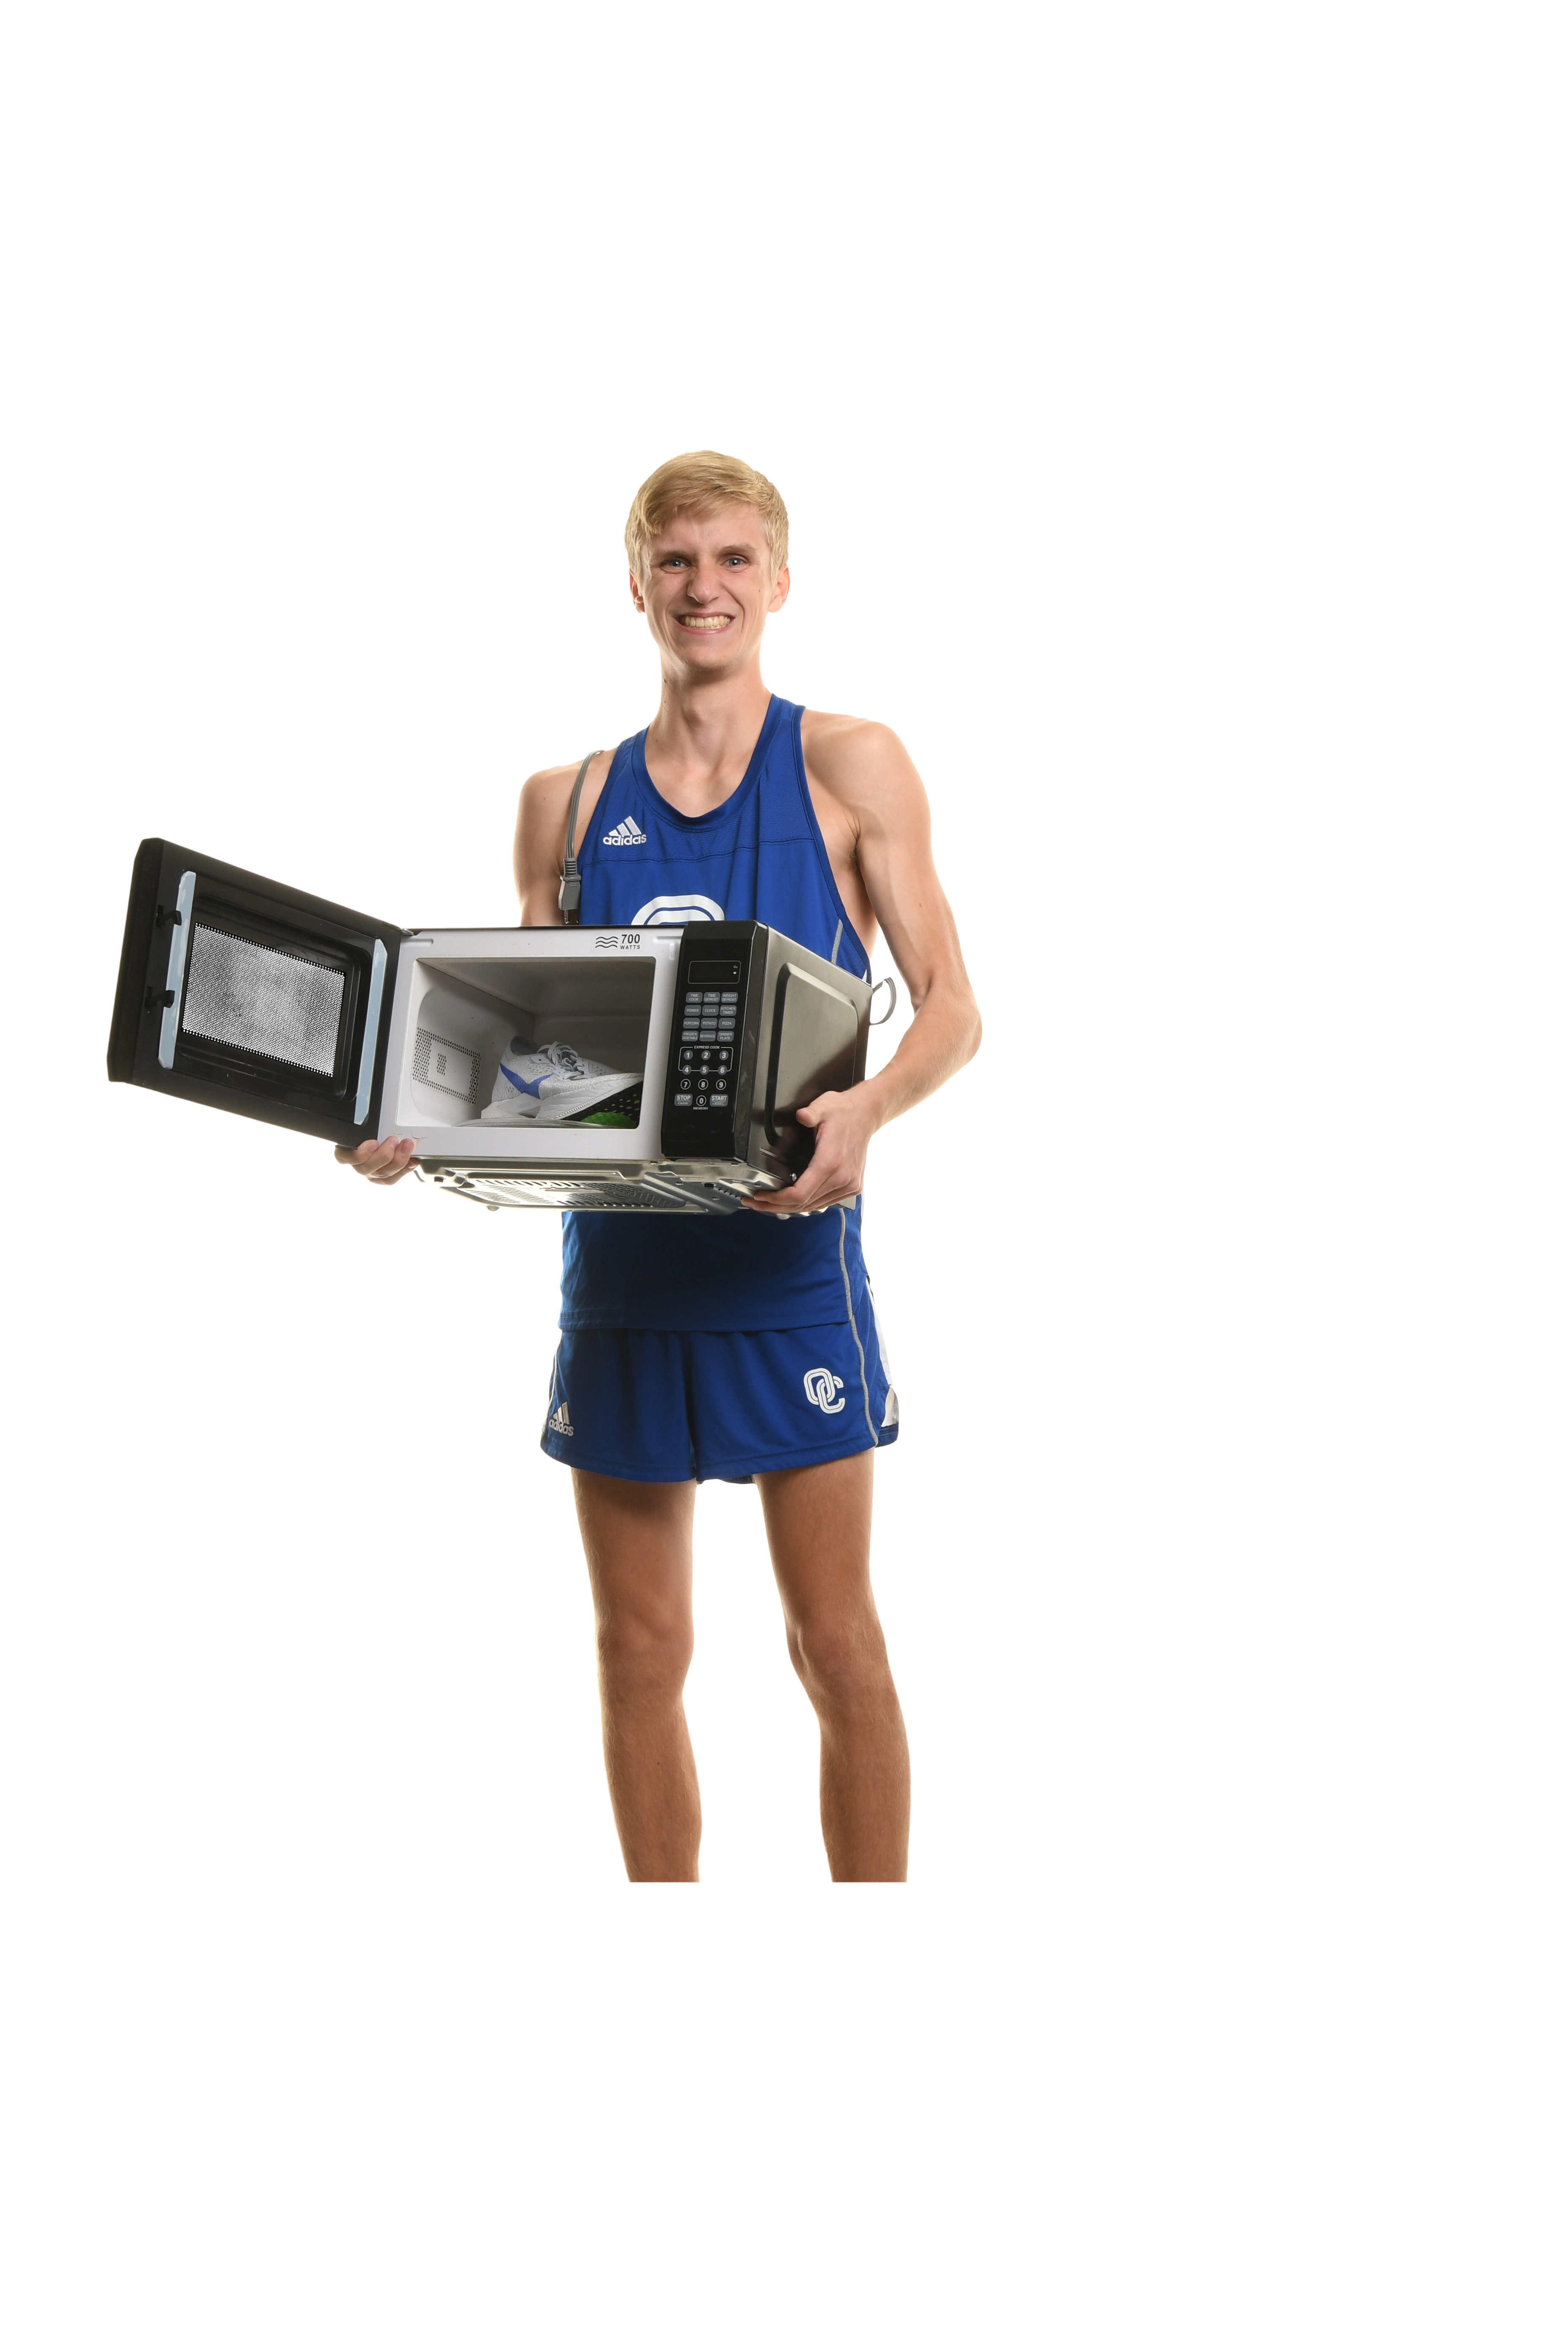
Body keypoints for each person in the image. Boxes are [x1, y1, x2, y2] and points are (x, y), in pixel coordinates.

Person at [339, 450, 981, 2170]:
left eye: (734, 557)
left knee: (835, 1646)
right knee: (638, 1653)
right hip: (620, 1268)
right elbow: (512, 1046)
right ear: (632, 583)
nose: (704, 585)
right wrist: (413, 1127)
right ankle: (683, 2039)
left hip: (788, 1266)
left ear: (779, 579)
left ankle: (872, 2052)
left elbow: (953, 1007)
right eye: (672, 558)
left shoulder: (848, 763)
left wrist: (865, 1112)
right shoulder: (563, 804)